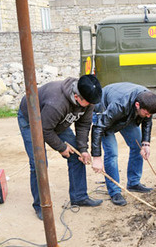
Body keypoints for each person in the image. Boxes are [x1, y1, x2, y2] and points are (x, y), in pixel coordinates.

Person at [18, 75, 103, 220]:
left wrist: (83, 149)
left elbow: (83, 125)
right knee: (39, 163)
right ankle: (41, 206)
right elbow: (44, 130)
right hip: (31, 120)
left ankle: (79, 196)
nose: (90, 106)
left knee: (77, 156)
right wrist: (61, 147)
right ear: (77, 97)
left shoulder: (88, 99)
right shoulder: (56, 103)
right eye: (88, 103)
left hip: (56, 121)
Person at [90, 83, 156, 206]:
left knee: (138, 147)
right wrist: (96, 156)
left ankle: (133, 183)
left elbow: (147, 120)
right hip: (104, 113)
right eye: (146, 113)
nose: (148, 116)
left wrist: (146, 143)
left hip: (127, 115)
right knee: (112, 154)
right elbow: (98, 127)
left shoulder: (147, 100)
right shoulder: (119, 105)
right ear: (137, 105)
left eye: (150, 114)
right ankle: (115, 191)